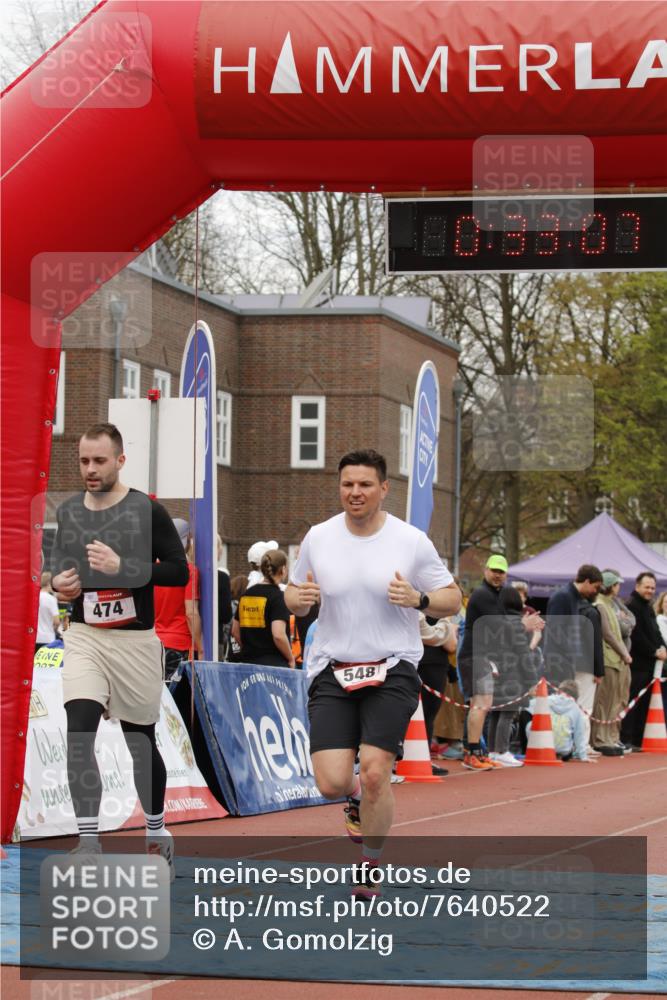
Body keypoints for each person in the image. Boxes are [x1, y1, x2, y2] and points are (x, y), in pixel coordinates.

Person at [285, 449, 460, 899]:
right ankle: (355, 798)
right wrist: (298, 598)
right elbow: (292, 593)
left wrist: (418, 600)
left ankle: (370, 864)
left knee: (378, 770)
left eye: (365, 485)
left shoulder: (410, 541)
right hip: (333, 667)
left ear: (384, 489)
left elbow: (452, 597)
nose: (355, 493)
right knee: (331, 781)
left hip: (393, 666)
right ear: (339, 487)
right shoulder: (318, 538)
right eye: (347, 484)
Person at [51, 423, 188, 871]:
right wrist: (60, 585)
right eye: (84, 462)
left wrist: (125, 567)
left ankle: (155, 829)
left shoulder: (148, 511)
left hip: (134, 641)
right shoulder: (71, 512)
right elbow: (61, 570)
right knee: (79, 732)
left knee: (139, 742)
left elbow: (177, 572)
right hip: (86, 636)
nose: (90, 470)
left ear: (120, 461)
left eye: (99, 461)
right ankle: (89, 841)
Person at [543, 564, 604, 754]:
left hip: (566, 659)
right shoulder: (563, 597)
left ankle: (564, 745)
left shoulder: (574, 599)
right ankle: (554, 745)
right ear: (586, 581)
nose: (596, 591)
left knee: (567, 705)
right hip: (558, 660)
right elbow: (556, 630)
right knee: (558, 704)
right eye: (595, 587)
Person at [458, 555, 510, 771]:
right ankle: (472, 753)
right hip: (474, 654)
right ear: (486, 570)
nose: (497, 575)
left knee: (483, 704)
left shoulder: (496, 596)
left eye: (501, 571)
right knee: (480, 704)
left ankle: (477, 751)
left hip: (484, 656)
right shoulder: (482, 595)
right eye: (494, 570)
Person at [487, 586, 542, 767]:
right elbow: (523, 653)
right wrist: (532, 680)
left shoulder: (498, 621)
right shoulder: (516, 623)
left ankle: (493, 751)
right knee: (508, 713)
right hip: (513, 675)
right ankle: (502, 750)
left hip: (497, 672)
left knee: (496, 713)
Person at [621, 572, 667, 750]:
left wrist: (662, 648)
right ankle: (627, 738)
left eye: (653, 588)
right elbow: (636, 636)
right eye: (647, 587)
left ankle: (638, 739)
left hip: (650, 665)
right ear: (637, 586)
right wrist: (655, 651)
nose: (650, 590)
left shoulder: (647, 607)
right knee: (633, 702)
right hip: (637, 664)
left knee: (644, 704)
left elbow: (655, 632)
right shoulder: (631, 606)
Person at [154, 519, 203, 680]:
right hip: (179, 644)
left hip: (153, 643)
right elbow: (191, 612)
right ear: (187, 540)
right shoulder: (189, 571)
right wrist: (201, 647)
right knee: (177, 701)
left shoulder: (153, 569)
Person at [592, 571, 633, 756]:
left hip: (615, 659)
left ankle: (609, 737)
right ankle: (600, 739)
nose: (619, 588)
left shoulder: (610, 605)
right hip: (608, 659)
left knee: (615, 702)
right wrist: (624, 653)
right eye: (617, 584)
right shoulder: (601, 605)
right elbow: (608, 635)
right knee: (604, 702)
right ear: (611, 586)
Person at [232, 549, 294, 667]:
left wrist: (249, 650)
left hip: (248, 664)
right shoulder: (278, 597)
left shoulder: (246, 594)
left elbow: (235, 631)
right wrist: (290, 658)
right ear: (283, 570)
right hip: (274, 666)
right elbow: (278, 635)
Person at [418, 613, 458, 775]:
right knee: (427, 715)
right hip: (433, 665)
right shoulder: (440, 612)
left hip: (409, 661)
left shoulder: (412, 605)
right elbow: (451, 646)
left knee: (407, 713)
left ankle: (400, 759)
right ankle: (422, 759)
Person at [526, 679, 589, 762]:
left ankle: (526, 750)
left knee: (530, 723)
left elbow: (527, 706)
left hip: (542, 746)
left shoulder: (547, 699)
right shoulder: (577, 709)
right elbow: (579, 734)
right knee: (576, 727)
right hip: (564, 750)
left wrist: (532, 696)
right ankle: (563, 752)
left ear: (558, 690)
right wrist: (583, 756)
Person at [36, 572, 61, 652]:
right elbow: (57, 621)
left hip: (35, 638)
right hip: (48, 638)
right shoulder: (51, 599)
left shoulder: (34, 597)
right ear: (49, 583)